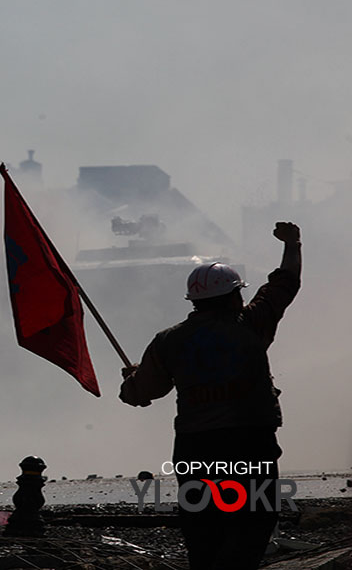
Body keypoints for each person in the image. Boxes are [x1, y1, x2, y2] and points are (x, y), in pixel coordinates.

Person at [120, 221, 301, 569]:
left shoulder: (168, 341)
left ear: (195, 300)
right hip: (250, 444)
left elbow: (140, 394)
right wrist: (293, 244)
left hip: (196, 448)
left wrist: (132, 378)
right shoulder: (252, 324)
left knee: (203, 533)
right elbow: (285, 284)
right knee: (251, 524)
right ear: (234, 296)